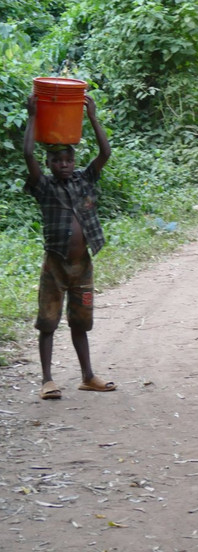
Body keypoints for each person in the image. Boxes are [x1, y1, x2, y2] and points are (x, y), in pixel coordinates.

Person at [24, 91, 115, 400]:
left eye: (68, 159)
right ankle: (47, 380)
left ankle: (88, 376)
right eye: (57, 160)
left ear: (74, 162)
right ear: (49, 164)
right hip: (55, 265)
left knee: (81, 322)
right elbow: (28, 156)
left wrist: (92, 117)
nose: (63, 164)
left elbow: (105, 154)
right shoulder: (45, 187)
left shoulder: (83, 180)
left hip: (83, 266)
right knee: (48, 322)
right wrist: (33, 117)